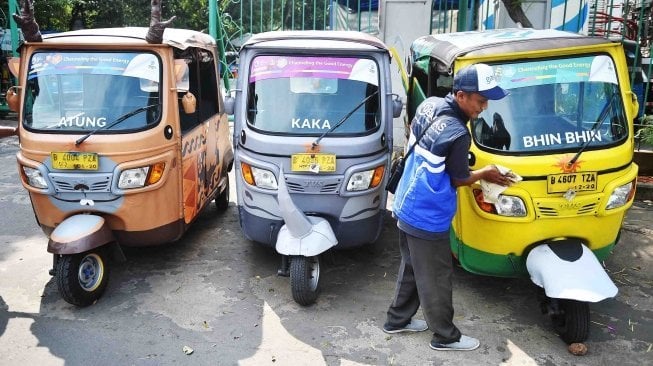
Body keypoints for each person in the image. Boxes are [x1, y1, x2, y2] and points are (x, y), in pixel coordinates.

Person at [383, 63, 514, 351]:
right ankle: (445, 336)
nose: (484, 107)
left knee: (413, 267)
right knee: (437, 277)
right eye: (480, 100)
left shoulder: (430, 105)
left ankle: (397, 319)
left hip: (406, 201)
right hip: (427, 214)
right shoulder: (458, 133)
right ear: (461, 96)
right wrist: (487, 174)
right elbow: (460, 178)